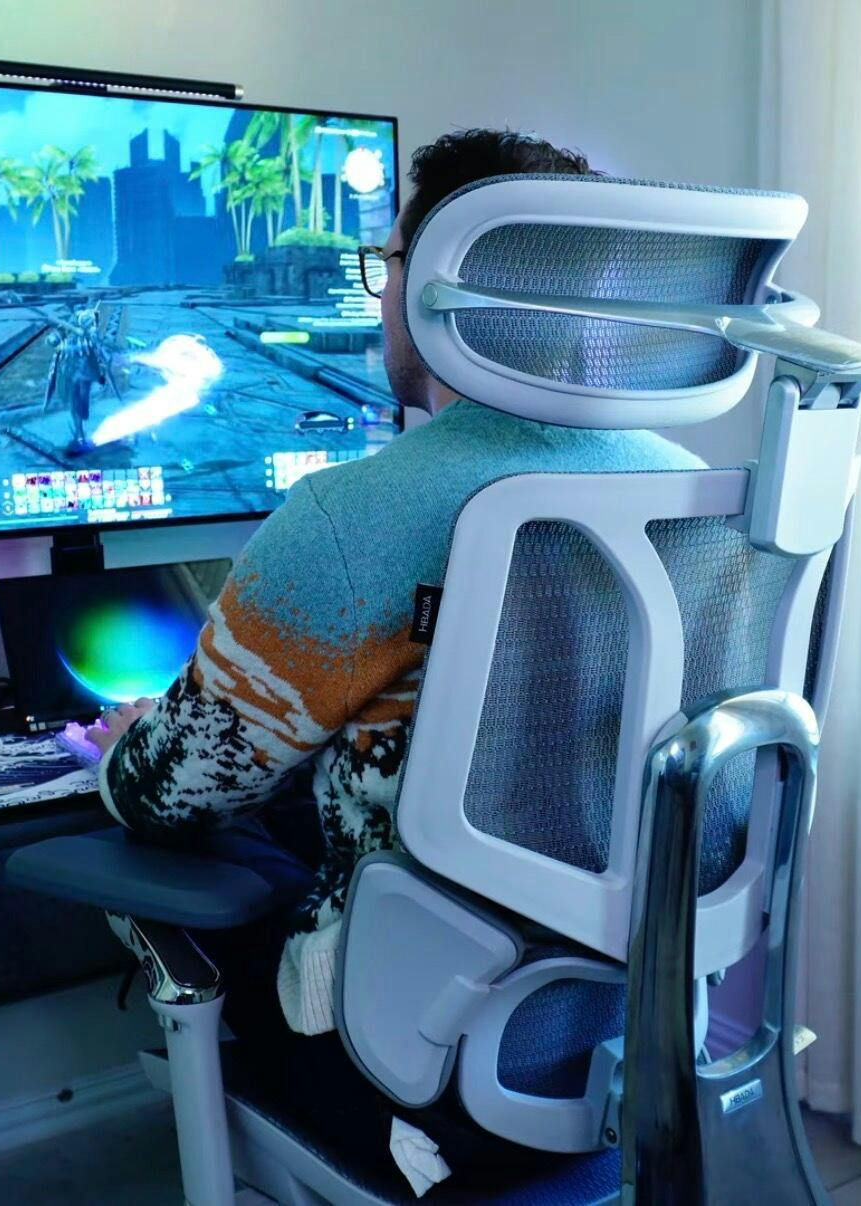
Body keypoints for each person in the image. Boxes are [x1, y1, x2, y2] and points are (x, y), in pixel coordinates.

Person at [79, 128, 705, 1189]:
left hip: (419, 1069)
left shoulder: (352, 515)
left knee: (174, 837)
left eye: (389, 262)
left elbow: (165, 796)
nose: (380, 296)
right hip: (631, 1035)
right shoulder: (695, 491)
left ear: (435, 283)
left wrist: (129, 746)